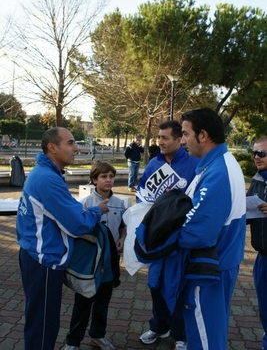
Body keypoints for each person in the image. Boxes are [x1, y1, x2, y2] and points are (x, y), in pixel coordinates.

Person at [16, 127, 109, 350]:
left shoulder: (46, 173)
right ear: (52, 147)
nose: (76, 148)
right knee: (43, 324)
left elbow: (64, 209)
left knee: (41, 319)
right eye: (70, 143)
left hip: (35, 256)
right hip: (43, 261)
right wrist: (96, 211)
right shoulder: (47, 179)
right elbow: (77, 225)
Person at [179, 108, 246, 350]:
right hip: (221, 264)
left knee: (205, 339)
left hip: (208, 270)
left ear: (203, 135)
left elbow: (198, 232)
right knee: (211, 331)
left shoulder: (218, 171)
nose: (182, 140)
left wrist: (161, 234)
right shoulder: (220, 163)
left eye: (185, 134)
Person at [138, 120, 200, 350]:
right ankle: (159, 326)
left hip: (182, 238)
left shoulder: (195, 164)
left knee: (178, 286)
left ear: (179, 140)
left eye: (164, 138)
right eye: (159, 137)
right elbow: (142, 192)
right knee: (155, 284)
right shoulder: (154, 164)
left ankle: (180, 334)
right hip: (157, 236)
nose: (160, 142)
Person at [64, 161, 126, 350]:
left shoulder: (120, 203)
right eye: (103, 176)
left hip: (110, 261)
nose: (108, 180)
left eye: (111, 176)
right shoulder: (84, 203)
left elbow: (123, 226)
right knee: (83, 303)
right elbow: (77, 228)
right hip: (91, 262)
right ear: (94, 180)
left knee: (103, 302)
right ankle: (72, 342)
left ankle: (97, 335)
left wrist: (122, 238)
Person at [246, 137, 267, 350]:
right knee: (264, 308)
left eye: (261, 153)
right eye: (254, 153)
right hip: (262, 257)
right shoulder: (257, 180)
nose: (256, 157)